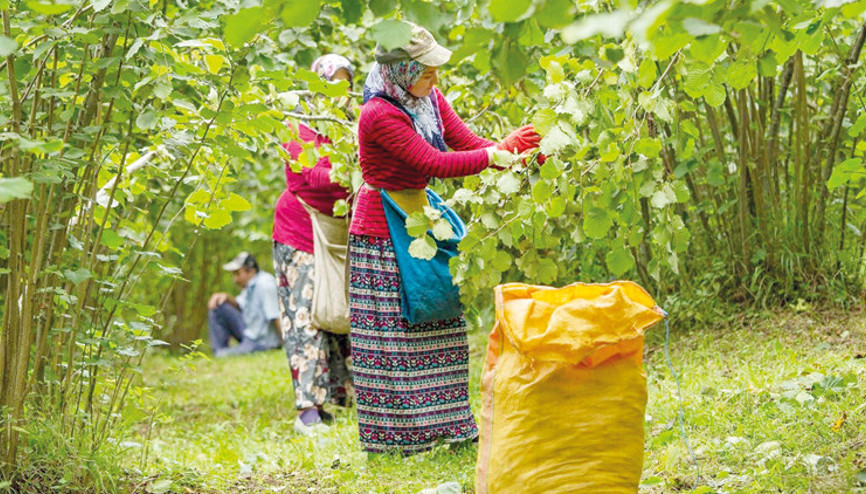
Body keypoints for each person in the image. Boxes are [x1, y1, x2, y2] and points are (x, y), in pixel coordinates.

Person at [348, 23, 541, 454]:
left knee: (439, 317)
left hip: (421, 218)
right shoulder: (378, 113)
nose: (436, 78)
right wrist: (494, 154)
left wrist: (515, 155)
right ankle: (399, 439)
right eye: (428, 70)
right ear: (401, 69)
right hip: (383, 228)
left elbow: (468, 143)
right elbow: (435, 160)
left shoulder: (428, 99)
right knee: (395, 333)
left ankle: (449, 427)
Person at [272, 54, 354, 435]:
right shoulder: (299, 131)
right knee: (305, 316)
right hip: (299, 234)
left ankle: (341, 397)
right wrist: (352, 172)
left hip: (337, 236)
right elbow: (308, 179)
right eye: (330, 84)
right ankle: (308, 409)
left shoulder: (348, 130)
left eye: (345, 84)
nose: (338, 93)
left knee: (338, 313)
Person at [207, 252, 282, 357]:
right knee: (219, 306)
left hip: (261, 342)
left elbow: (276, 317)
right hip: (249, 333)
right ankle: (218, 351)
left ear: (251, 271)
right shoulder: (250, 286)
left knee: (222, 355)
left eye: (237, 273)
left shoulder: (265, 285)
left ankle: (220, 354)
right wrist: (225, 297)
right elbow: (239, 304)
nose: (235, 279)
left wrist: (287, 346)